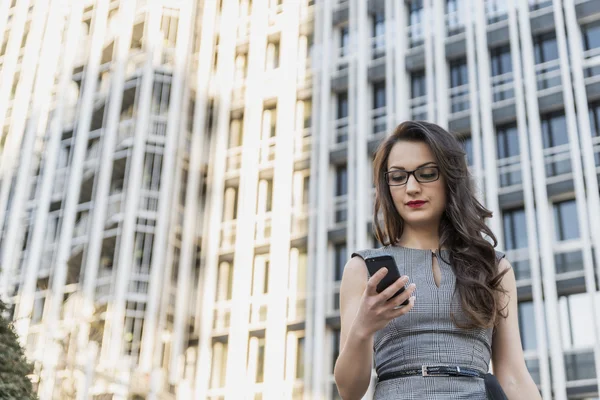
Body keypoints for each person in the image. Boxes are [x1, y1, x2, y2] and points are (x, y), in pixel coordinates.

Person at [333, 121, 541, 400]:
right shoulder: (363, 268)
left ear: (451, 178)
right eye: (397, 177)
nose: (411, 188)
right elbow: (349, 390)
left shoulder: (494, 266)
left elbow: (514, 375)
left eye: (427, 173)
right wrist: (363, 328)